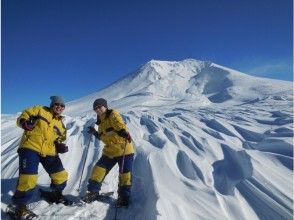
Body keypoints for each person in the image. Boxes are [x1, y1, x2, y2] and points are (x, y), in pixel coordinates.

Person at [9, 96, 69, 218]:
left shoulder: (61, 125)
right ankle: (20, 207)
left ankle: (56, 194)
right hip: (30, 147)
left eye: (62, 106)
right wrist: (24, 122)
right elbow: (24, 115)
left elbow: (60, 138)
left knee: (61, 176)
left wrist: (59, 146)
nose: (59, 107)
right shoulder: (40, 110)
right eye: (57, 104)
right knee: (29, 178)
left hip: (49, 152)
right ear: (52, 105)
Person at [83, 98, 134, 207]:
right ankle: (93, 192)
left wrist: (122, 131)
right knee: (98, 170)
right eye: (95, 108)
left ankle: (124, 197)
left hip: (123, 150)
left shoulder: (112, 114)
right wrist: (95, 133)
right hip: (110, 151)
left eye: (99, 107)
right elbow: (104, 136)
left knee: (125, 175)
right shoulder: (100, 122)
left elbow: (118, 124)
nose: (98, 109)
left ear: (105, 106)